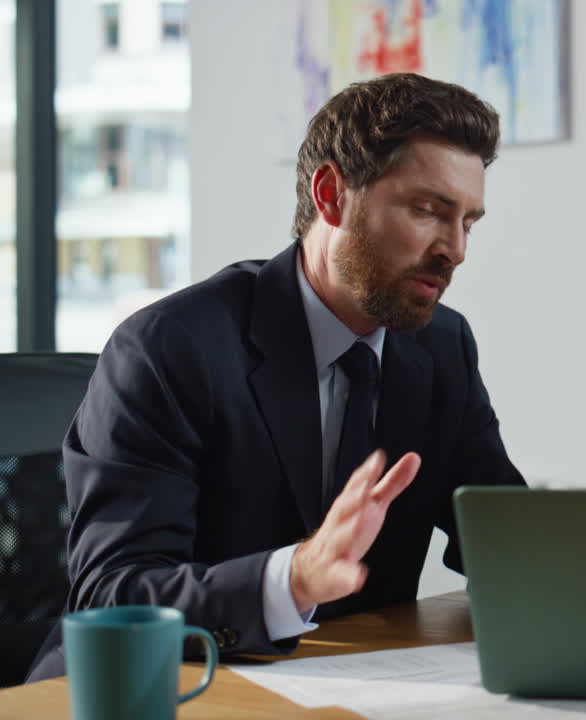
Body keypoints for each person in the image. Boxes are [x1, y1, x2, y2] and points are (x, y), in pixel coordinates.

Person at [27, 73, 525, 681]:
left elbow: (500, 531)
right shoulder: (170, 348)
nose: (455, 249)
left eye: (468, 222)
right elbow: (113, 594)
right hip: (155, 687)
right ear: (330, 194)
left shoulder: (441, 346)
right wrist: (293, 578)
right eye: (428, 210)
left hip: (347, 681)